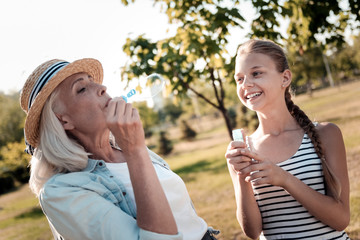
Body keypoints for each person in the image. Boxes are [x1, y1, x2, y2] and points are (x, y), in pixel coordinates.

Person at [20, 58, 219, 240]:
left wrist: (135, 149)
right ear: (62, 119)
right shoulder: (61, 191)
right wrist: (135, 151)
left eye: (92, 80)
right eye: (81, 89)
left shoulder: (130, 149)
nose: (102, 87)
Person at [225, 39, 350, 239]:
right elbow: (253, 232)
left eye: (256, 73)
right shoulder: (243, 152)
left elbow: (341, 219)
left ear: (285, 78)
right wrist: (241, 177)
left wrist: (285, 179)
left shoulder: (326, 134)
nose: (246, 84)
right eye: (239, 79)